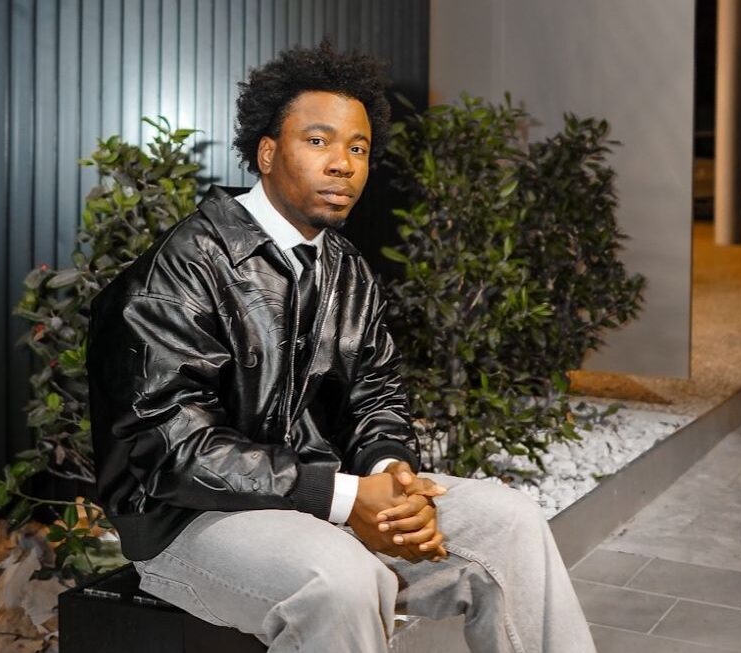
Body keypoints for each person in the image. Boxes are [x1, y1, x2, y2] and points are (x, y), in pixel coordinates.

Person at [86, 42, 596, 653]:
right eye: (318, 141)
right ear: (267, 152)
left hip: (320, 494)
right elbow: (171, 448)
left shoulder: (346, 270)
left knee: (509, 521)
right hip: (187, 517)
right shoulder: (177, 274)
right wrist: (345, 497)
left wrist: (390, 475)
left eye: (358, 149)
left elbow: (376, 396)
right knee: (341, 580)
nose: (343, 165)